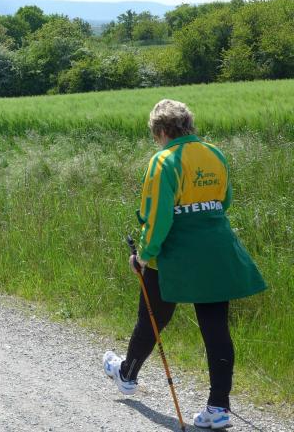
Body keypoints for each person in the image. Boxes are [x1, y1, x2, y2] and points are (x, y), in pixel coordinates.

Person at [103, 99, 266, 430]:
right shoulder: (214, 154)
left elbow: (158, 217)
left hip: (173, 253)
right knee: (216, 329)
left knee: (152, 318)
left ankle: (127, 375)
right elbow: (224, 201)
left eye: (155, 135)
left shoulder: (163, 161)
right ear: (187, 125)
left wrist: (143, 256)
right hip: (216, 248)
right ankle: (218, 407)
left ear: (161, 131)